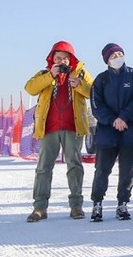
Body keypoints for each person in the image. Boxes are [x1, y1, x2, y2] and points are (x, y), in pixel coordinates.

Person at [23, 42, 94, 222]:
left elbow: (93, 92)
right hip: (48, 128)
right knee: (43, 168)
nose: (62, 61)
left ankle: (76, 206)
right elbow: (30, 88)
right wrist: (50, 77)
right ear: (52, 59)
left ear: (71, 59)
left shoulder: (81, 74)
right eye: (58, 58)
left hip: (73, 127)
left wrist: (79, 85)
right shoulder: (44, 74)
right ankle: (40, 208)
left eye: (65, 58)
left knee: (75, 166)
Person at [89, 43, 133, 222]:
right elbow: (96, 105)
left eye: (120, 53)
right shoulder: (100, 80)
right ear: (107, 59)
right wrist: (113, 120)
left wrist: (124, 117)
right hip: (108, 132)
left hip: (131, 130)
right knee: (102, 170)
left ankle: (123, 203)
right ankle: (97, 203)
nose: (117, 57)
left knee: (127, 171)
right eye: (113, 55)